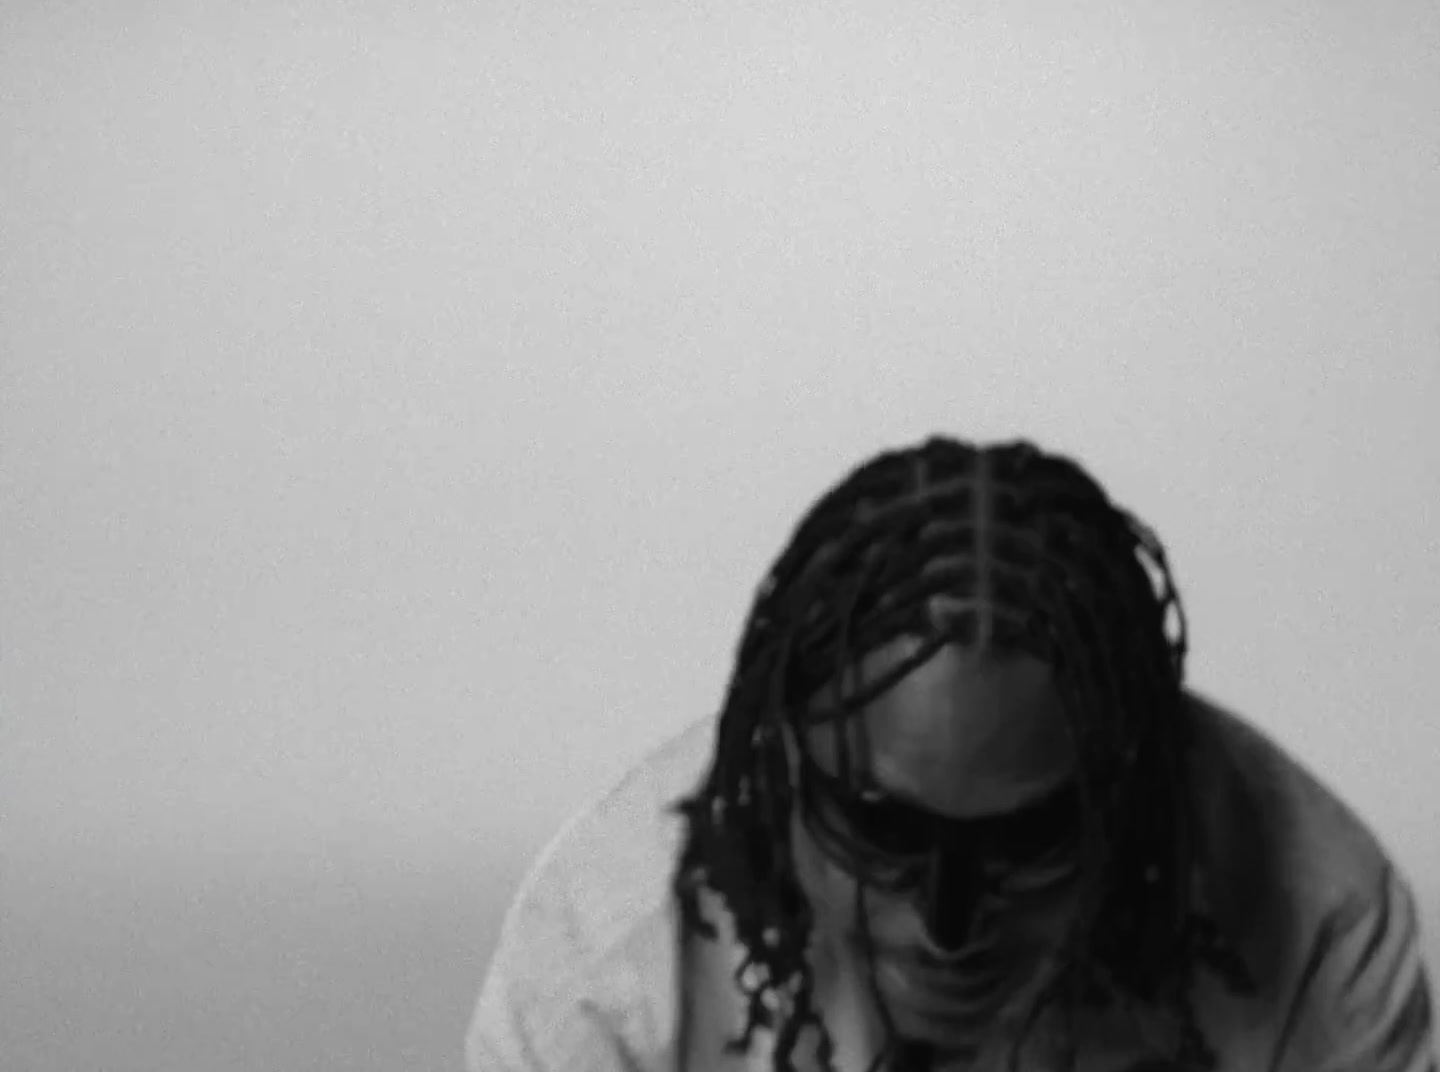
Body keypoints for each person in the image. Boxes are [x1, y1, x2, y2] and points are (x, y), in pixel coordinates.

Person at [465, 435, 1436, 1072]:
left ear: (1138, 789)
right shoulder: (601, 981)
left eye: (1036, 835)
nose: (949, 924)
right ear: (783, 765)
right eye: (879, 826)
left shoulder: (1322, 933)